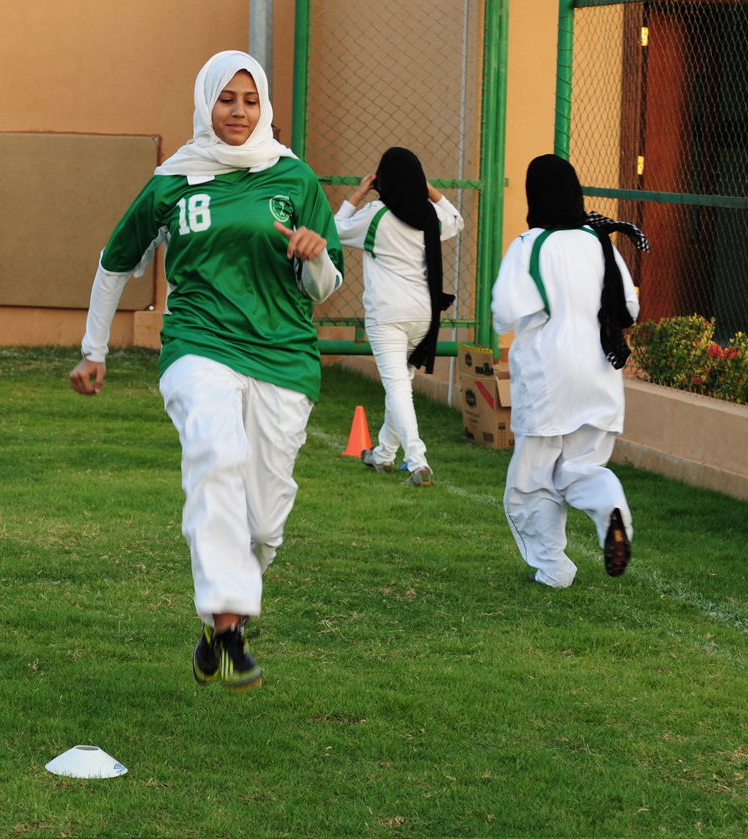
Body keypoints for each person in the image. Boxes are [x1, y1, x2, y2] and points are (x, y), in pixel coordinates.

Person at [69, 51, 343, 691]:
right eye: (227, 99)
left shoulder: (294, 178)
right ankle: (228, 624)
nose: (239, 111)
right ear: (205, 102)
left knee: (265, 523)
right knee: (215, 454)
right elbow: (115, 262)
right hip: (198, 345)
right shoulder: (172, 179)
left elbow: (322, 287)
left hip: (283, 357)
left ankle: (218, 620)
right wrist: (94, 350)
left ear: (264, 104)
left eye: (249, 99)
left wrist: (314, 255)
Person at [492, 154, 640, 588]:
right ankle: (612, 507)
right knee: (580, 468)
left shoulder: (529, 245)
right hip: (600, 374)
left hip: (547, 378)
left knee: (530, 484)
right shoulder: (601, 241)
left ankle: (553, 567)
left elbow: (504, 312)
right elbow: (629, 306)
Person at [336, 148, 464, 487]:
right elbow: (456, 218)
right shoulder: (430, 216)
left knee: (397, 387)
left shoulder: (375, 215)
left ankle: (418, 461)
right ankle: (382, 454)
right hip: (424, 314)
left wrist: (358, 194)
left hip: (387, 314)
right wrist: (429, 189)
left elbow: (334, 230)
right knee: (401, 386)